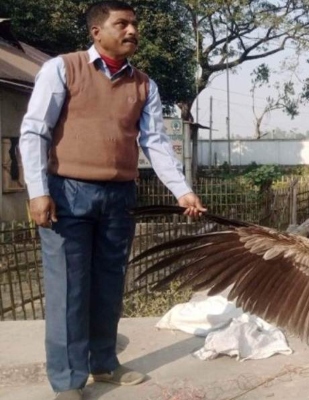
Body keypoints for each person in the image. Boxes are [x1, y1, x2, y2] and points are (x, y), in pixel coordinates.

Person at [18, 2, 206, 399]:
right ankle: (67, 380)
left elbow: (154, 143)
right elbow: (34, 131)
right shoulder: (62, 68)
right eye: (122, 24)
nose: (132, 30)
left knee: (108, 285)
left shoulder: (144, 85)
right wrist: (38, 192)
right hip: (66, 194)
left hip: (120, 196)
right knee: (68, 288)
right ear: (96, 32)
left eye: (135, 24)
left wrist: (182, 190)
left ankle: (103, 363)